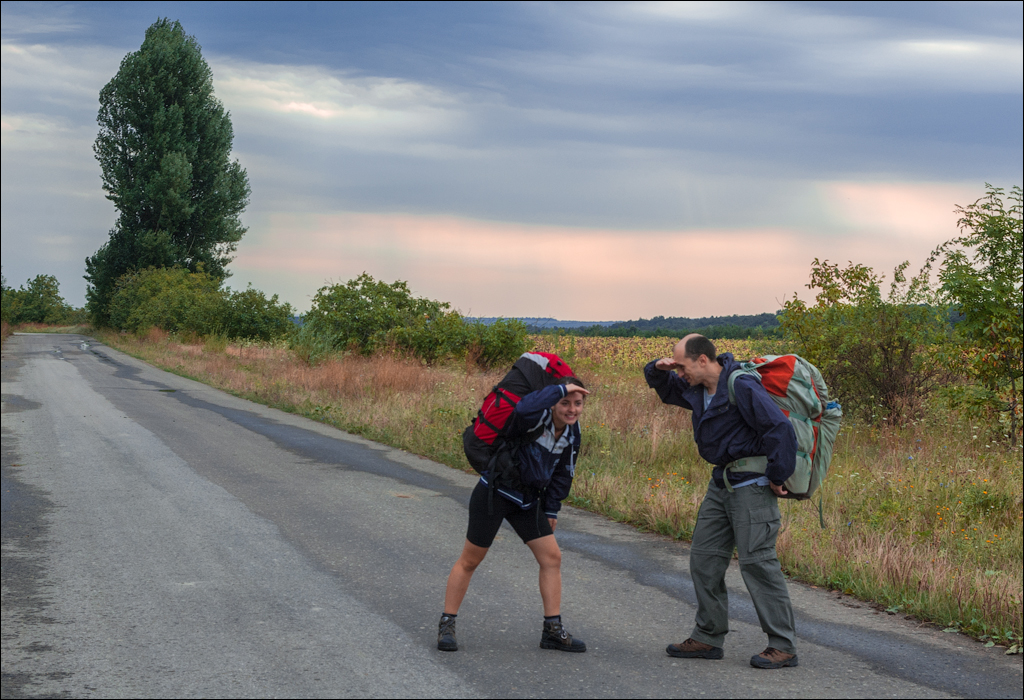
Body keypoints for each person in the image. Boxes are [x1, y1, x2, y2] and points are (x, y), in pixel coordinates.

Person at [644, 334, 799, 669]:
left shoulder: (740, 385)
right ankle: (708, 637)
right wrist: (658, 367)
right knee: (704, 559)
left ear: (703, 360)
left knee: (758, 563)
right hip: (722, 484)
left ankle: (783, 645)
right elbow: (666, 389)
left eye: (682, 365)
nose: (679, 373)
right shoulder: (699, 391)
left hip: (752, 485)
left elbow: (780, 429)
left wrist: (777, 474)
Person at [438, 378, 589, 653]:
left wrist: (552, 507)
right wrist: (557, 389)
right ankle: (447, 624)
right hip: (495, 493)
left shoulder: (572, 432)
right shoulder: (532, 419)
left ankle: (552, 631)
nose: (572, 409)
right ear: (552, 401)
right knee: (471, 560)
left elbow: (563, 472)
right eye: (565, 402)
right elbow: (521, 410)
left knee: (552, 557)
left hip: (529, 500)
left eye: (577, 404)